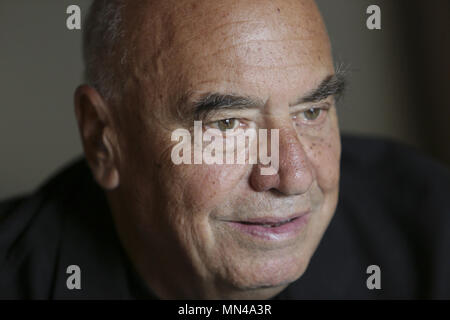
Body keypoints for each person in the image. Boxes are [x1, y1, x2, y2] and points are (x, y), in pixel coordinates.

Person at [1, 0, 449, 300]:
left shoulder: (432, 234)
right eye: (228, 123)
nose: (293, 175)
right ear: (103, 138)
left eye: (311, 111)